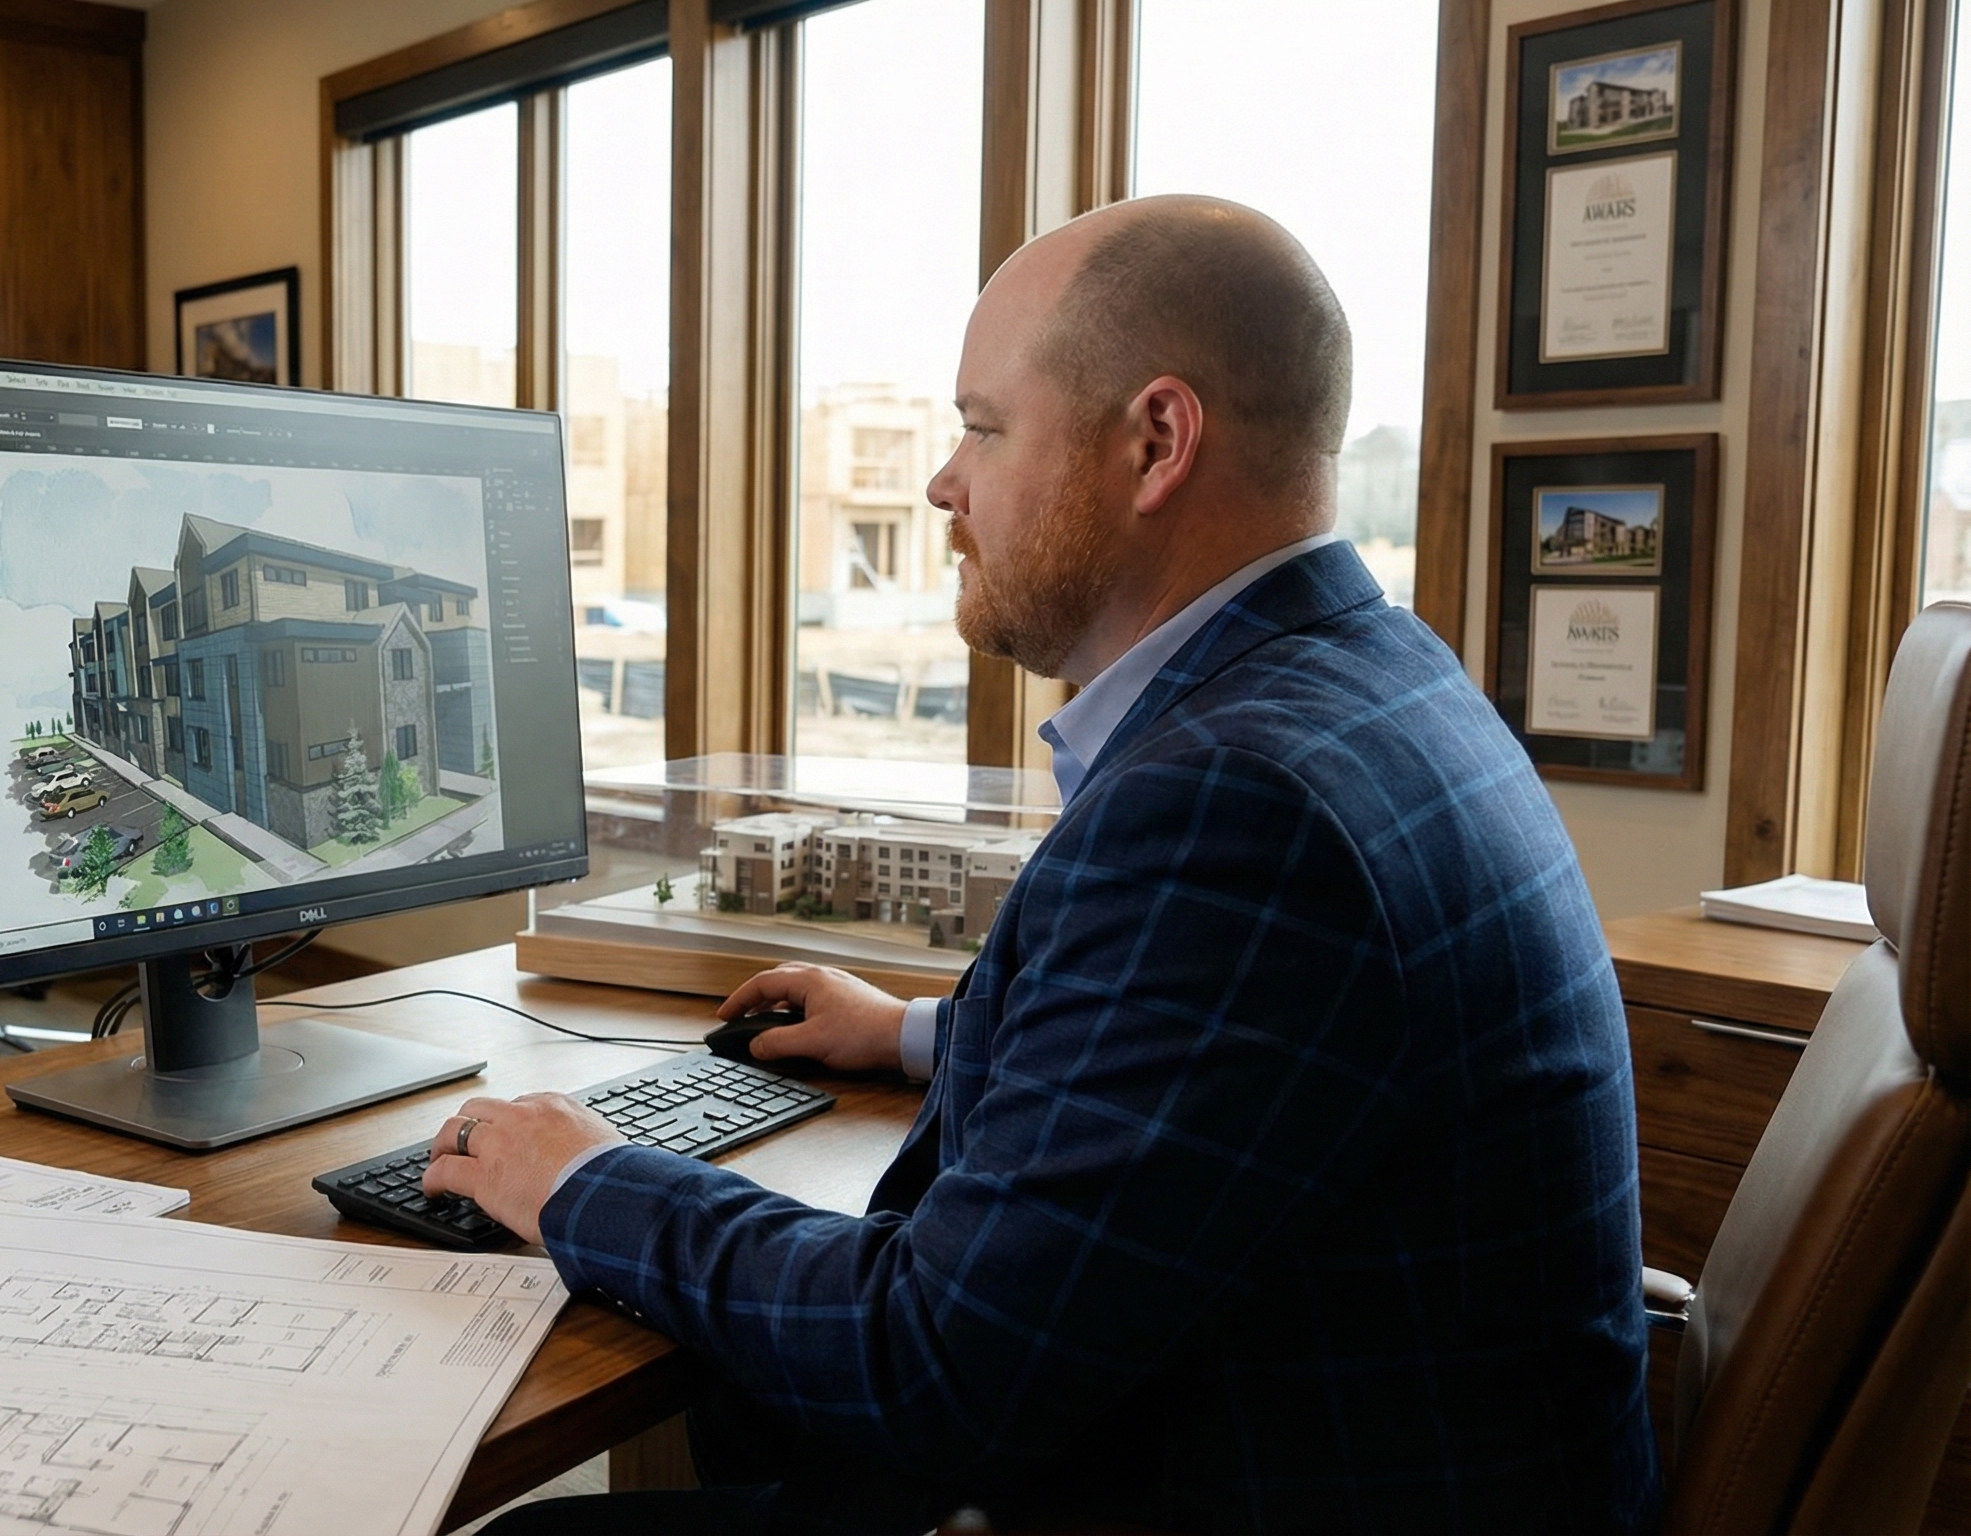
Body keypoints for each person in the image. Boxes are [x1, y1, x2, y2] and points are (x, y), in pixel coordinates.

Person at [424, 195, 1657, 1533]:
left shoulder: (1234, 803)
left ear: (1157, 441)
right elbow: (1225, 1074)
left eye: (984, 428)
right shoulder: (1375, 679)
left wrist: (581, 1178)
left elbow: (929, 1369)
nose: (945, 484)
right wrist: (912, 1034)